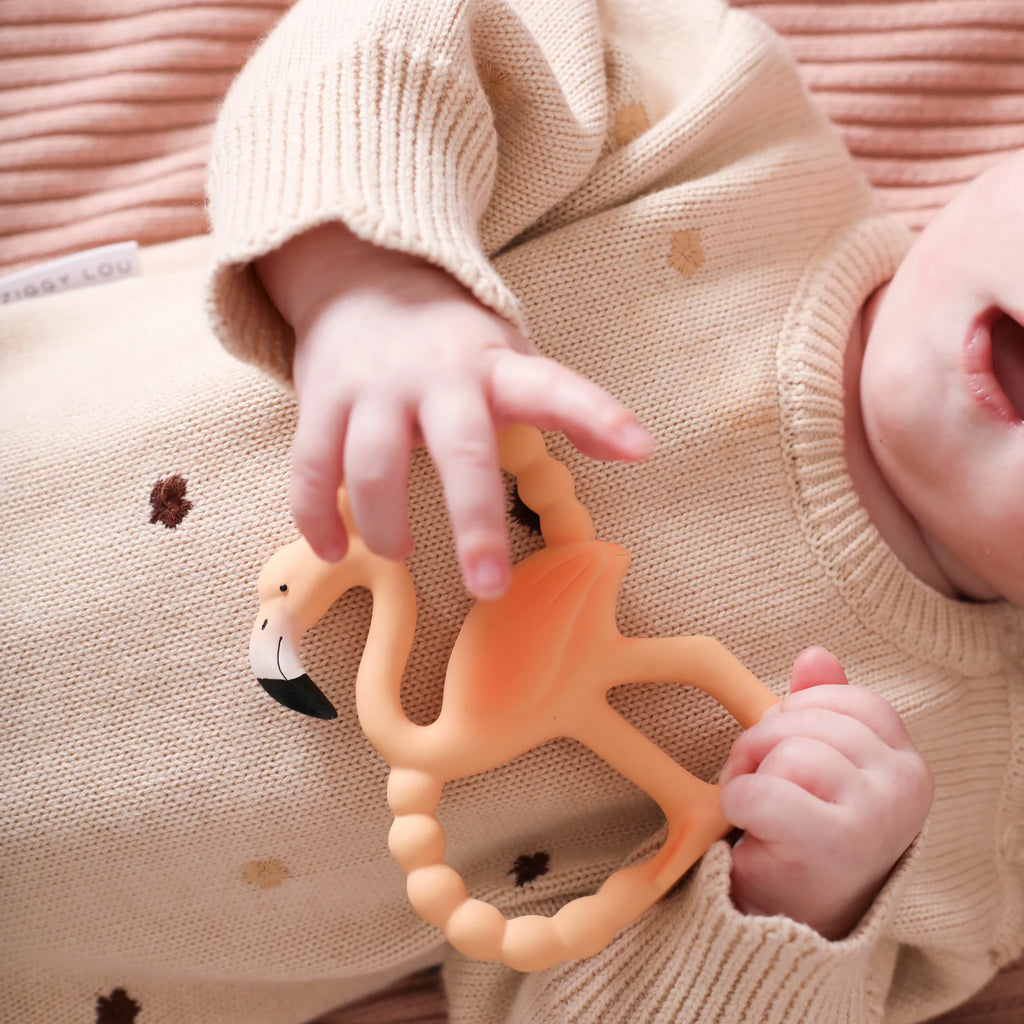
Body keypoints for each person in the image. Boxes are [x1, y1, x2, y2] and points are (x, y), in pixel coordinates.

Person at [1, 3, 1019, 1024]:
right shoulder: (713, 127)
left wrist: (792, 910)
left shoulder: (961, 828)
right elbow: (386, 38)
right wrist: (372, 276)